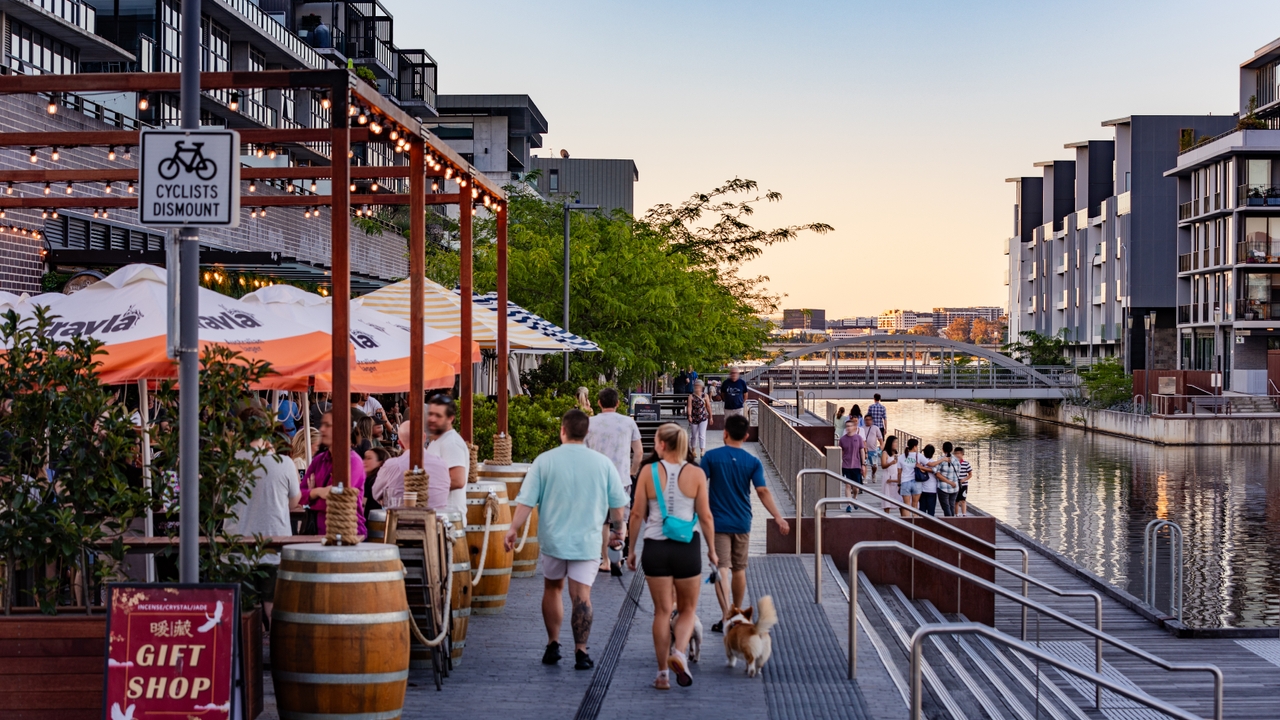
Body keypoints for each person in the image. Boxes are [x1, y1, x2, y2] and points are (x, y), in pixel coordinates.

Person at [506, 409, 629, 671]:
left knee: (553, 589)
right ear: (586, 433)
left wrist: (512, 528)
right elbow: (618, 505)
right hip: (587, 541)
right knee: (581, 595)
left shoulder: (544, 460)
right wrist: (619, 530)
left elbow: (526, 500)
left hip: (553, 538)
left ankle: (553, 643)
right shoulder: (602, 463)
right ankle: (581, 652)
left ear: (563, 430)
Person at [627, 423, 718, 690]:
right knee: (688, 609)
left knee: (662, 612)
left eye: (656, 441)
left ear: (663, 445)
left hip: (655, 547)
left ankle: (662, 674)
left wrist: (631, 550)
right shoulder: (696, 473)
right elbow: (706, 516)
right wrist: (712, 550)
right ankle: (680, 652)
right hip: (687, 547)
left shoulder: (648, 472)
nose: (654, 445)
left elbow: (635, 514)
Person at [703, 414, 789, 634]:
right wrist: (778, 517)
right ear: (747, 436)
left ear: (725, 433)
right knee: (739, 569)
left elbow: (698, 484)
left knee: (721, 568)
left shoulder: (711, 457)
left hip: (718, 522)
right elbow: (762, 491)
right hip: (742, 521)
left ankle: (725, 617)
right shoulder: (753, 461)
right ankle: (737, 612)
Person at [226, 408, 301, 619]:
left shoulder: (228, 463)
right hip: (274, 544)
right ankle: (277, 652)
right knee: (273, 607)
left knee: (244, 613)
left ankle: (247, 653)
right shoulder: (284, 463)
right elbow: (294, 501)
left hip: (236, 545)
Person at [585, 387, 643, 575]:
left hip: (596, 479)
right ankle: (617, 557)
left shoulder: (589, 423)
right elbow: (639, 453)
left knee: (603, 522)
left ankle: (605, 561)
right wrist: (632, 472)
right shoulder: (628, 423)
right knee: (620, 520)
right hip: (621, 478)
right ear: (618, 403)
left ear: (599, 403)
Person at [300, 411, 367, 537]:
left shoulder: (353, 461)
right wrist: (318, 492)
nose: (322, 429)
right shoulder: (319, 460)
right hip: (317, 533)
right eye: (322, 424)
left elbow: (340, 499)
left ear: (341, 429)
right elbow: (299, 495)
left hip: (348, 534)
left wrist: (311, 497)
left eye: (327, 425)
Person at [373, 421, 451, 510]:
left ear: (400, 444)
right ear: (424, 437)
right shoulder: (442, 464)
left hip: (400, 521)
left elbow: (376, 494)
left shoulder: (391, 465)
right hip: (436, 521)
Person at [426, 394, 470, 515]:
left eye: (438, 416)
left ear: (450, 418)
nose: (432, 419)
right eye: (431, 414)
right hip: (439, 517)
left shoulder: (451, 443)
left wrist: (423, 488)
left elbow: (457, 480)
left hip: (448, 520)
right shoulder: (438, 440)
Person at [837, 419, 866, 504]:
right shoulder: (842, 439)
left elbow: (862, 451)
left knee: (855, 487)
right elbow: (841, 452)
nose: (848, 428)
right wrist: (840, 463)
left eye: (850, 426)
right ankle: (848, 504)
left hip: (856, 465)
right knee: (847, 485)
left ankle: (855, 497)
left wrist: (863, 464)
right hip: (846, 465)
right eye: (847, 426)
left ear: (854, 427)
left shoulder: (858, 438)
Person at [686, 379, 712, 461]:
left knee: (702, 435)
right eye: (695, 386)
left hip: (703, 417)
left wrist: (711, 416)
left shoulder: (705, 396)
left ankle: (702, 451)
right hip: (694, 417)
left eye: (698, 386)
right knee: (694, 435)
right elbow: (689, 407)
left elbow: (708, 407)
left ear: (702, 387)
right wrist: (689, 415)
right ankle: (693, 450)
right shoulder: (691, 396)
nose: (697, 388)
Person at [935, 441, 961, 517]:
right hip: (955, 487)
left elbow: (937, 474)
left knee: (946, 507)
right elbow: (958, 473)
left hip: (943, 488)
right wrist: (952, 482)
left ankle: (949, 524)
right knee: (951, 506)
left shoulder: (941, 460)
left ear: (943, 449)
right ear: (952, 449)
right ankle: (952, 523)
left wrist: (949, 482)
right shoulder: (956, 460)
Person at [898, 438, 923, 515]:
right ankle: (914, 525)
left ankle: (906, 524)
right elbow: (929, 464)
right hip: (916, 482)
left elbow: (899, 472)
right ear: (915, 446)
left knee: (906, 505)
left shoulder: (901, 457)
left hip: (905, 482)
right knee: (915, 505)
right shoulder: (919, 456)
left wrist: (899, 484)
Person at [362, 446, 390, 514]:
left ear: (380, 463)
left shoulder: (370, 481)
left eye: (369, 458)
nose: (364, 461)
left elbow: (362, 506)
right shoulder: (387, 479)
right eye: (364, 458)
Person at [857, 414, 883, 483]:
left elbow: (880, 438)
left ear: (872, 420)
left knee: (874, 465)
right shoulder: (861, 428)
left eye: (869, 420)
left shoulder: (876, 428)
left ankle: (873, 474)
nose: (868, 421)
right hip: (864, 450)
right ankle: (864, 477)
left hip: (873, 450)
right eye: (866, 420)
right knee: (864, 464)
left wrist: (881, 446)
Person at [879, 435, 901, 513]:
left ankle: (904, 518)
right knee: (887, 498)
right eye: (895, 442)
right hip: (888, 476)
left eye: (896, 442)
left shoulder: (896, 453)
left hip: (895, 476)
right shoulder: (885, 453)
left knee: (898, 497)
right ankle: (887, 516)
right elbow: (883, 465)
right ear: (890, 443)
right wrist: (891, 463)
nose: (896, 444)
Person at [916, 443, 940, 516]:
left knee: (922, 510)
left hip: (922, 489)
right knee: (931, 511)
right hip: (932, 489)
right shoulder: (933, 463)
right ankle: (930, 526)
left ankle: (920, 526)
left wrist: (922, 468)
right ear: (933, 453)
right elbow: (934, 470)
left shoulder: (920, 462)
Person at [953, 446, 973, 517]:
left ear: (962, 454)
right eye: (956, 453)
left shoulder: (966, 463)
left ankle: (964, 514)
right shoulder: (953, 463)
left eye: (959, 453)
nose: (957, 455)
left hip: (963, 485)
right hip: (955, 484)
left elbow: (970, 474)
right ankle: (956, 514)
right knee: (956, 500)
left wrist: (964, 479)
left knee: (963, 500)